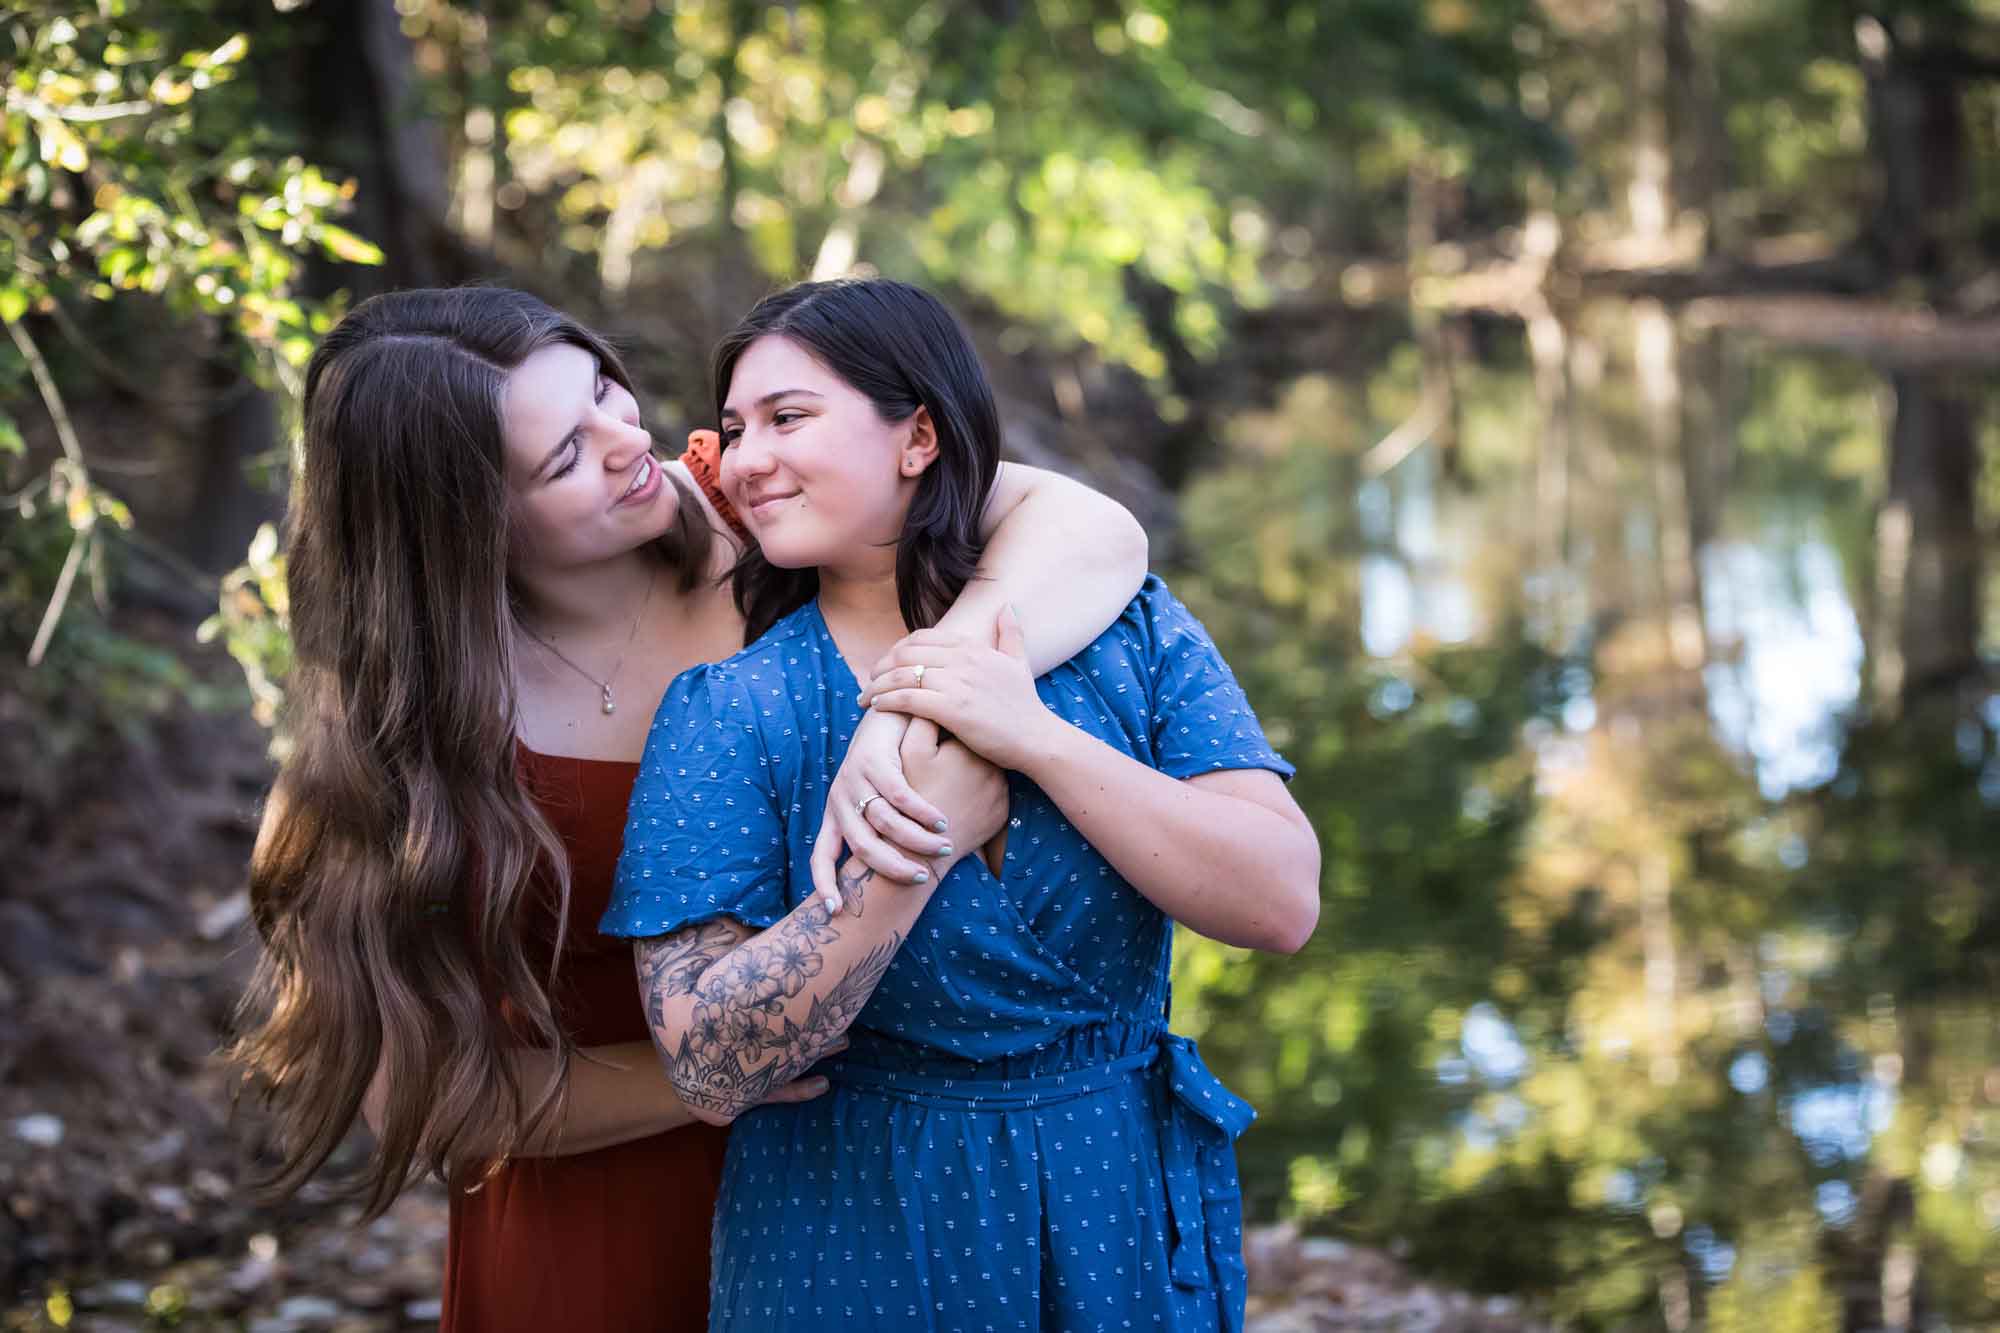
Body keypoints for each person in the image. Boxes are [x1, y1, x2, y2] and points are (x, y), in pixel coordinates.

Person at [228, 285, 1151, 1333]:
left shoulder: (764, 504)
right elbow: (419, 1099)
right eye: (564, 457)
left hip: (869, 1179)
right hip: (606, 1225)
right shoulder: (407, 739)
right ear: (462, 524)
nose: (629, 442)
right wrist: (715, 1072)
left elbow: (1089, 529)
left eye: (605, 394)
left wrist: (916, 694)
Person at [603, 278, 1320, 1332]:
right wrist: (910, 853)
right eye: (732, 429)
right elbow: (706, 1061)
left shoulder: (1131, 632)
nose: (745, 460)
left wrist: (1032, 737)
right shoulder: (731, 707)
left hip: (1113, 1193)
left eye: (787, 418)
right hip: (855, 1219)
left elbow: (1280, 901)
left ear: (918, 435)